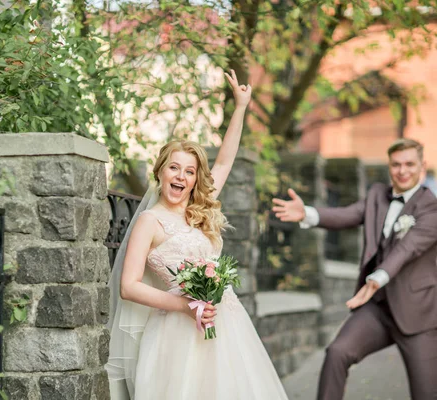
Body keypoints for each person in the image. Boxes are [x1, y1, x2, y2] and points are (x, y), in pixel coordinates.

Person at [105, 70, 288, 400]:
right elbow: (128, 286)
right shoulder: (149, 220)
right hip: (175, 332)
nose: (181, 176)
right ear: (160, 171)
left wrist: (241, 106)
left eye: (189, 172)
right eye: (174, 168)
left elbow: (227, 158)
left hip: (227, 326)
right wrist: (184, 305)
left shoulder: (197, 207)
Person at [272, 138, 437, 400]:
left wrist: (377, 277)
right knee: (337, 352)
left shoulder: (431, 206)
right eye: (396, 164)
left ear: (422, 166)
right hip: (378, 309)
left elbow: (408, 249)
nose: (402, 170)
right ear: (389, 166)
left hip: (418, 315)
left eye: (409, 164)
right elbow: (347, 214)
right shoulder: (377, 196)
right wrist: (308, 214)